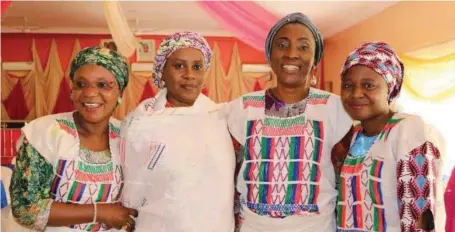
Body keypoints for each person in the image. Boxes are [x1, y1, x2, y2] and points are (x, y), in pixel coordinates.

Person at [227, 12, 353, 232]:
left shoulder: (336, 109)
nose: (292, 54)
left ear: (315, 59)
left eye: (303, 47)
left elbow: (348, 183)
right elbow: (228, 179)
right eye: (282, 45)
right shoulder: (242, 109)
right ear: (269, 54)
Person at [9, 47, 138, 231]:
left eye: (103, 85)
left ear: (120, 92)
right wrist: (99, 212)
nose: (90, 93)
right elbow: (26, 209)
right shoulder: (46, 133)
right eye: (81, 84)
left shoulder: (127, 136)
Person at [120, 31, 235, 232]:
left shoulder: (222, 118)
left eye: (197, 67)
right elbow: (131, 193)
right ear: (162, 71)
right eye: (179, 66)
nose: (189, 75)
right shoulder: (140, 122)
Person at [337, 41, 444, 231]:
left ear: (389, 89)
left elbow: (418, 214)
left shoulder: (408, 130)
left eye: (368, 85)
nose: (356, 93)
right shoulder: (352, 137)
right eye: (348, 85)